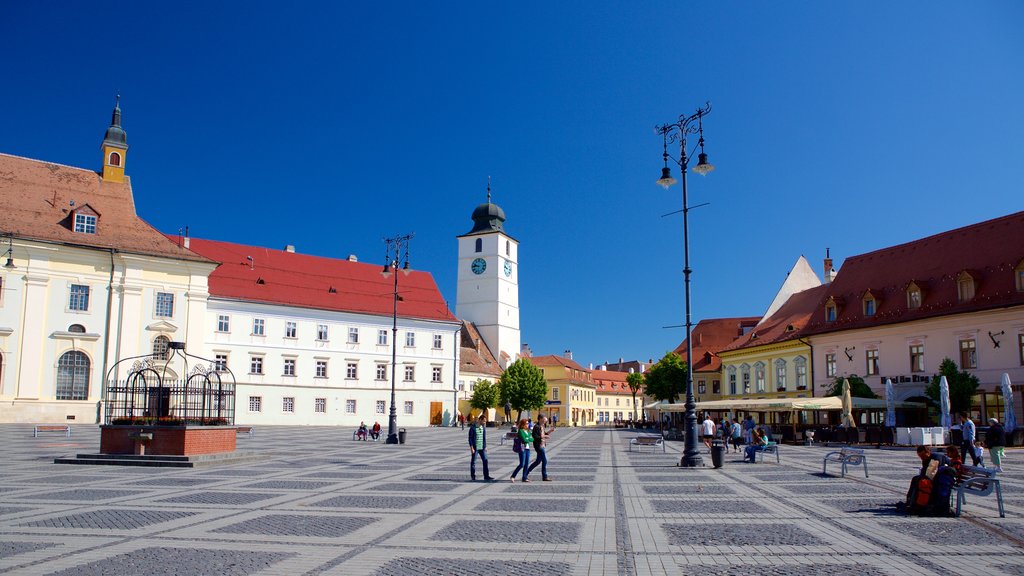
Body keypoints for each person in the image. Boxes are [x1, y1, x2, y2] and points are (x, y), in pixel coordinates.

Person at [468, 415, 494, 481]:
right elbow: (470, 438)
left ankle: (486, 476)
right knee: (473, 462)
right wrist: (471, 448)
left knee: (485, 461)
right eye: (484, 421)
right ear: (480, 420)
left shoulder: (483, 427)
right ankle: (473, 476)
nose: (485, 422)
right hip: (475, 447)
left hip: (482, 447)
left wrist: (485, 446)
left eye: (485, 421)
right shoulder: (473, 428)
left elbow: (484, 438)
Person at [527, 415, 553, 481]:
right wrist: (543, 437)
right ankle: (545, 477)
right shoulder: (536, 427)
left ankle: (525, 473)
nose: (545, 421)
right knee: (544, 461)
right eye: (544, 420)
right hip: (539, 446)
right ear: (540, 419)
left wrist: (550, 431)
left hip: (542, 445)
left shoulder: (542, 426)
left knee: (538, 462)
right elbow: (535, 437)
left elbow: (544, 434)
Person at [509, 418, 534, 482]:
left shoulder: (528, 431)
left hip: (527, 449)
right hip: (522, 449)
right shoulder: (520, 431)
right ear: (523, 424)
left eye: (528, 423)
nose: (528, 425)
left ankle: (524, 477)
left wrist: (528, 438)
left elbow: (532, 439)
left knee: (526, 464)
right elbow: (525, 440)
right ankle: (513, 476)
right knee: (521, 464)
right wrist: (528, 438)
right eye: (526, 423)